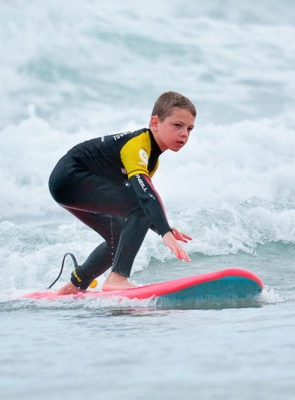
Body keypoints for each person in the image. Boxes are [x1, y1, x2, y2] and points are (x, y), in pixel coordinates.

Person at [49, 91, 196, 294]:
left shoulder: (152, 159)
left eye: (189, 129)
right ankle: (118, 277)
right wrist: (164, 231)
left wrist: (163, 226)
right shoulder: (138, 145)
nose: (184, 134)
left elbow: (141, 197)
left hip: (67, 185)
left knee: (117, 235)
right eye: (177, 125)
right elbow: (143, 198)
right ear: (155, 123)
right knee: (139, 207)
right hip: (71, 178)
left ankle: (73, 288)